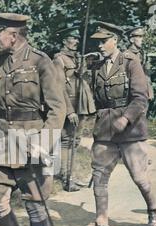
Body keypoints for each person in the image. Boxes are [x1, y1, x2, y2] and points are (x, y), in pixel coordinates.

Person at [0, 12, 66, 226]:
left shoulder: (41, 61)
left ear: (13, 35)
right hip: (4, 140)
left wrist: (44, 142)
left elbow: (57, 108)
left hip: (32, 140)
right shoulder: (0, 61)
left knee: (34, 205)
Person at [76, 22, 156, 226]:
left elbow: (141, 98)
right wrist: (82, 67)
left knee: (140, 178)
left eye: (104, 41)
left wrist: (126, 118)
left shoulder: (131, 63)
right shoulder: (95, 65)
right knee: (99, 177)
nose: (100, 45)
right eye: (97, 42)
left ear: (115, 40)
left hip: (131, 130)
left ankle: (153, 210)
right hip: (105, 128)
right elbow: (85, 89)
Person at [53, 26, 96, 191]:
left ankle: (72, 175)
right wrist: (69, 110)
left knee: (76, 141)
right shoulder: (59, 60)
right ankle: (66, 177)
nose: (76, 41)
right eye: (73, 38)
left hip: (82, 104)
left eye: (78, 38)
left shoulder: (78, 58)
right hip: (69, 105)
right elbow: (59, 87)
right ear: (64, 41)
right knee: (66, 141)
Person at [125, 26, 154, 100]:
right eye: (140, 37)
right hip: (131, 95)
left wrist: (149, 92)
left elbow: (146, 75)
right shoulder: (126, 56)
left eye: (143, 36)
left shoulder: (142, 55)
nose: (143, 39)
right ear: (132, 39)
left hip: (143, 94)